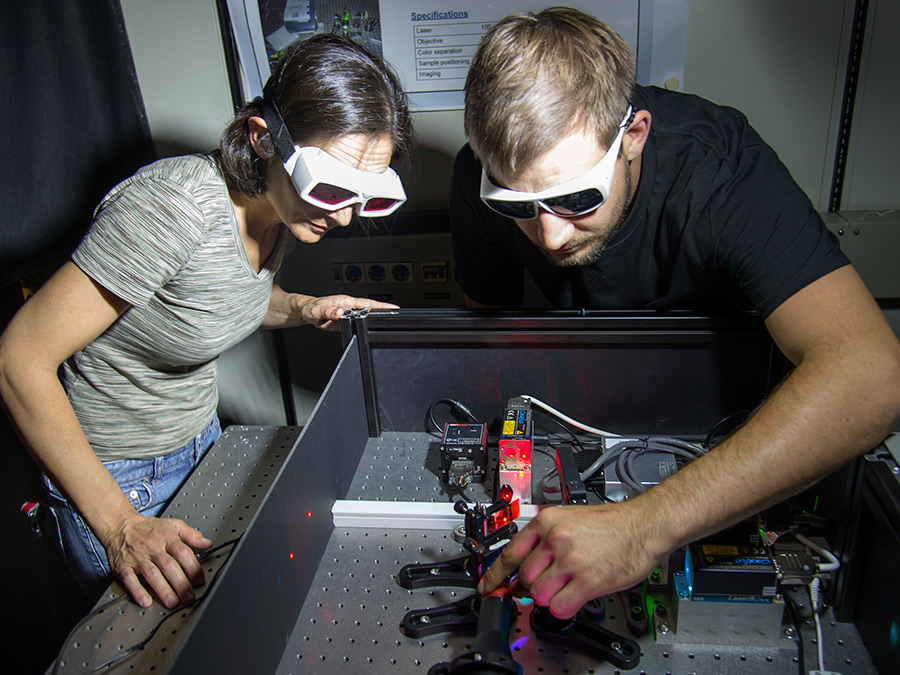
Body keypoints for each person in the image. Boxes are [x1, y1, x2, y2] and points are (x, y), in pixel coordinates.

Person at [450, 8, 900, 618]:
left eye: (575, 200)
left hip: (738, 433)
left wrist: (641, 528)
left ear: (633, 135)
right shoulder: (479, 182)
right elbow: (492, 347)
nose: (550, 238)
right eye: (517, 206)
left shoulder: (720, 170)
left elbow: (874, 375)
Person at [0, 34, 412, 610]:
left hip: (200, 443)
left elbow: (214, 298)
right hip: (116, 480)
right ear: (264, 139)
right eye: (333, 187)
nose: (344, 215)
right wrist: (120, 527)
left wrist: (303, 307)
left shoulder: (279, 212)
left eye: (366, 196)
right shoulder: (173, 209)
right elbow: (19, 359)